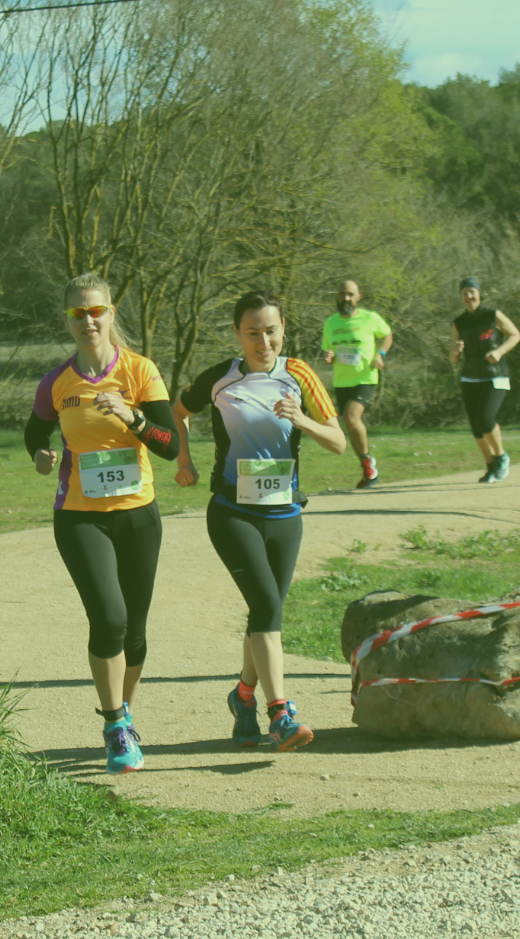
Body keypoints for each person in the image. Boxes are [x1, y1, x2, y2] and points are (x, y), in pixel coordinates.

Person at [172, 290, 345, 751]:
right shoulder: (220, 377)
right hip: (233, 512)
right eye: (252, 333)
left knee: (265, 611)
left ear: (283, 329)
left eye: (271, 331)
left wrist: (303, 420)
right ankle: (280, 714)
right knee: (267, 604)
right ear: (237, 333)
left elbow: (338, 442)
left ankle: (242, 698)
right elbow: (177, 412)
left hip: (285, 513)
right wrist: (184, 460)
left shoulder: (300, 374)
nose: (263, 342)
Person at [25, 273, 180, 773]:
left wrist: (132, 416)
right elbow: (34, 432)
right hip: (80, 518)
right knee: (109, 619)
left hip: (138, 515)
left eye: (96, 311)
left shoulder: (139, 371)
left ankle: (125, 714)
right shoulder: (56, 382)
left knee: (134, 631)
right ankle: (114, 724)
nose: (88, 320)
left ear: (111, 313)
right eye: (78, 313)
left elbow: (171, 445)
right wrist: (40, 454)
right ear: (68, 319)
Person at [320, 279, 393, 489]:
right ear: (337, 297)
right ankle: (367, 467)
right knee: (349, 423)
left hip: (365, 378)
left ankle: (368, 463)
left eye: (350, 294)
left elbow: (387, 335)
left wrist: (380, 354)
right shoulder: (331, 323)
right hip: (342, 380)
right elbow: (328, 351)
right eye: (343, 294)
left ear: (358, 297)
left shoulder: (370, 318)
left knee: (352, 417)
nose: (346, 298)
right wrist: (328, 356)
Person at [450, 278, 520, 483]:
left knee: (485, 417)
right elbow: (453, 358)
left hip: (495, 375)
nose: (468, 296)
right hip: (470, 377)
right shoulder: (459, 322)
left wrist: (499, 351)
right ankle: (490, 466)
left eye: (471, 292)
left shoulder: (492, 315)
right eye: (464, 293)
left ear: (479, 294)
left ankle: (501, 456)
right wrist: (455, 351)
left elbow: (515, 335)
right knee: (475, 425)